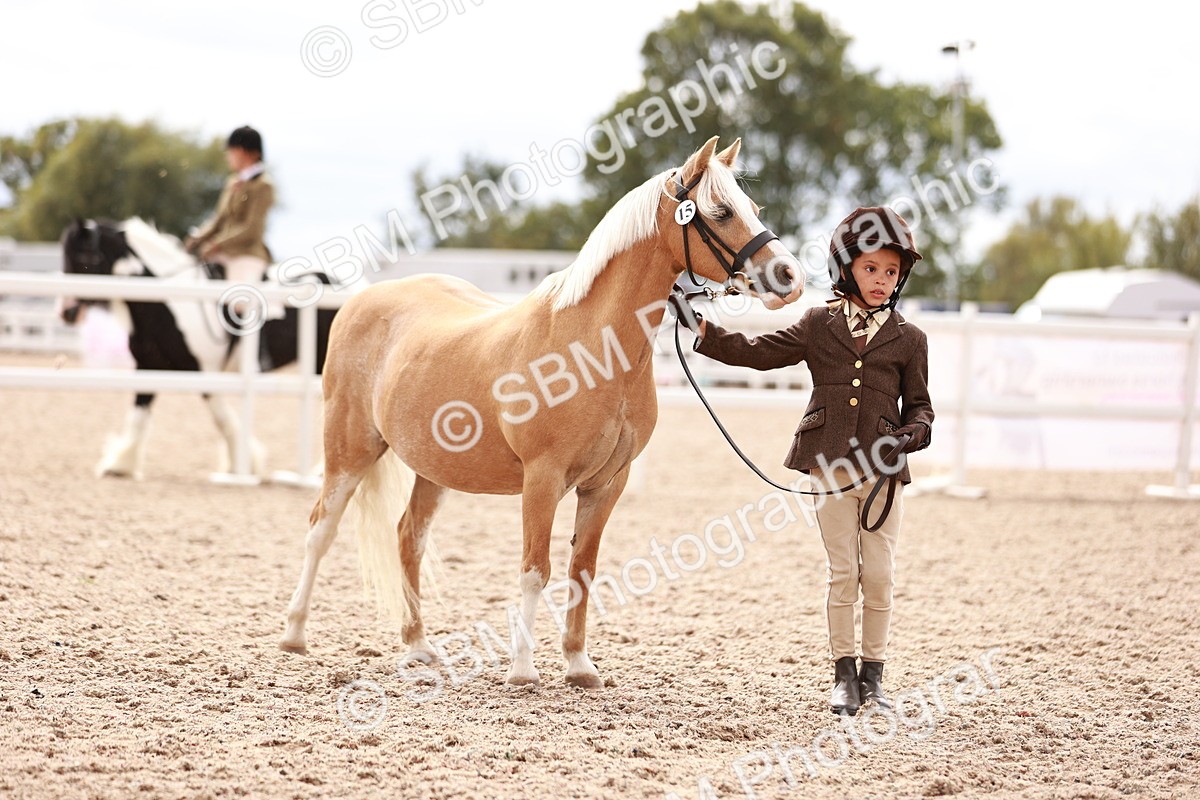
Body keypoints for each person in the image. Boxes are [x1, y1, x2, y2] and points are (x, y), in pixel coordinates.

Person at [685, 206, 935, 716]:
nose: (882, 280)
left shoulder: (910, 339)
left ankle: (874, 676)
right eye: (871, 268)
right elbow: (759, 351)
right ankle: (844, 675)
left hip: (884, 471)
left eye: (891, 272)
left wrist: (915, 431)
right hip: (830, 464)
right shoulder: (819, 324)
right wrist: (704, 331)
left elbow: (921, 406)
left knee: (879, 575)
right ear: (847, 268)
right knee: (843, 572)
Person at [186, 125, 275, 285]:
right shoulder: (232, 182)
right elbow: (219, 219)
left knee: (238, 296)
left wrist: (217, 244)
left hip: (246, 254)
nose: (228, 156)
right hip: (220, 252)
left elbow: (251, 228)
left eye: (231, 151)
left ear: (244, 152)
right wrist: (198, 237)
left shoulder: (263, 185)